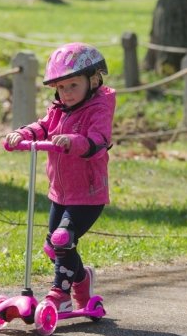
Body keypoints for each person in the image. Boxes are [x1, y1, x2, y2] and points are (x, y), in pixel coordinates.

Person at [6, 42, 116, 312]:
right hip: (61, 193)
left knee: (63, 239)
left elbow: (98, 140)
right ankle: (82, 279)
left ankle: (61, 295)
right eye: (61, 87)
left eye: (73, 86)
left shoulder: (99, 108)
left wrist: (73, 141)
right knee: (53, 248)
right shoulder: (58, 108)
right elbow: (43, 126)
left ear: (93, 80)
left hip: (88, 194)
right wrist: (23, 134)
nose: (65, 93)